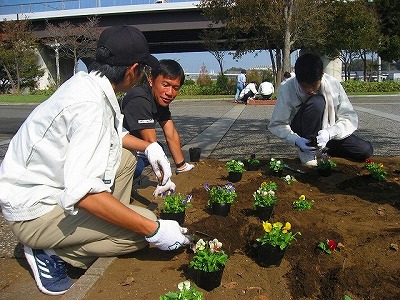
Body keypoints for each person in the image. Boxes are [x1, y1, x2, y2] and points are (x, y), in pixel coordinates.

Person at [0, 25, 190, 296]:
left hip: (44, 189)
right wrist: (154, 229)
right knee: (140, 234)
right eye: (143, 70)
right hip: (33, 211)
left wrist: (150, 149)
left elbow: (115, 134)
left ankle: (105, 224)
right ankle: (53, 253)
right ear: (132, 69)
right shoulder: (89, 107)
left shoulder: (88, 84)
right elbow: (84, 194)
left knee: (126, 159)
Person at [268, 52, 373, 166]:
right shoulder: (287, 88)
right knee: (317, 101)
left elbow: (349, 117)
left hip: (326, 131)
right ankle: (308, 149)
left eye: (313, 85)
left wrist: (330, 133)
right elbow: (277, 124)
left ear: (322, 75)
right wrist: (296, 140)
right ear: (297, 79)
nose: (310, 90)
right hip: (302, 131)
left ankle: (324, 151)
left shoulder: (333, 84)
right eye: (304, 86)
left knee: (365, 150)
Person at [121, 59, 194, 180]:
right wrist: (164, 179)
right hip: (111, 148)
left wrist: (181, 165)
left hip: (133, 145)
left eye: (175, 88)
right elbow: (150, 142)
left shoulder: (160, 100)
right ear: (151, 80)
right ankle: (117, 185)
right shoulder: (140, 98)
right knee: (137, 164)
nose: (170, 93)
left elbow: (171, 133)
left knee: (158, 146)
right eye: (165, 85)